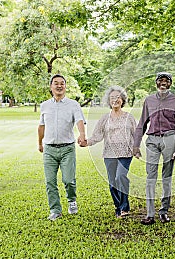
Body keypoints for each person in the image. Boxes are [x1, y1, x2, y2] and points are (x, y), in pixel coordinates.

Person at [133, 72, 175, 225]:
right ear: (156, 83)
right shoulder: (149, 100)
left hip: (170, 138)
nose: (163, 83)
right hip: (152, 140)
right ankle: (150, 214)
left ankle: (164, 211)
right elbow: (142, 123)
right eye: (160, 80)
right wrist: (136, 145)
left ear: (170, 84)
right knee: (151, 176)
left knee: (167, 177)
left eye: (166, 81)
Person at [82, 86, 136, 219]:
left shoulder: (129, 117)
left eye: (118, 97)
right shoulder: (104, 118)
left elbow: (136, 134)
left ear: (123, 100)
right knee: (112, 183)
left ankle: (125, 207)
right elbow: (97, 135)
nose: (115, 100)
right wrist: (87, 142)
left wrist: (137, 149)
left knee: (120, 177)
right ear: (109, 101)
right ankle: (118, 207)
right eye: (112, 98)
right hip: (109, 154)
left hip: (125, 153)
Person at [38, 74, 86, 221]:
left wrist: (82, 135)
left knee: (68, 179)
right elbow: (41, 126)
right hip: (49, 149)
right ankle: (55, 210)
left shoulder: (73, 104)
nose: (59, 86)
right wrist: (40, 143)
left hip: (67, 148)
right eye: (56, 83)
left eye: (62, 83)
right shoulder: (44, 105)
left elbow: (79, 121)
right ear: (51, 87)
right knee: (50, 181)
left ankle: (72, 200)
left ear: (65, 87)